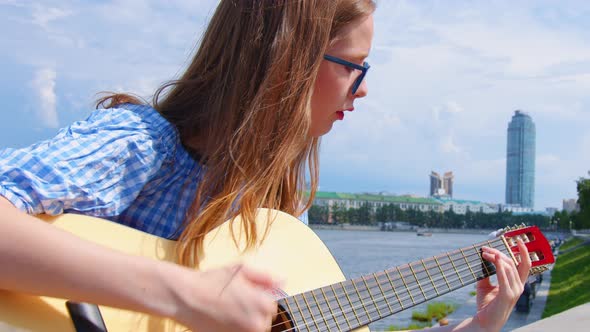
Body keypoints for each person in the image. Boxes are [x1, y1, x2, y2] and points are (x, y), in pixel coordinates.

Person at [0, 1, 530, 331]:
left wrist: (480, 326)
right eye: (354, 66)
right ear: (288, 63)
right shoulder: (145, 146)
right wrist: (185, 295)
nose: (364, 88)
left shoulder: (278, 213)